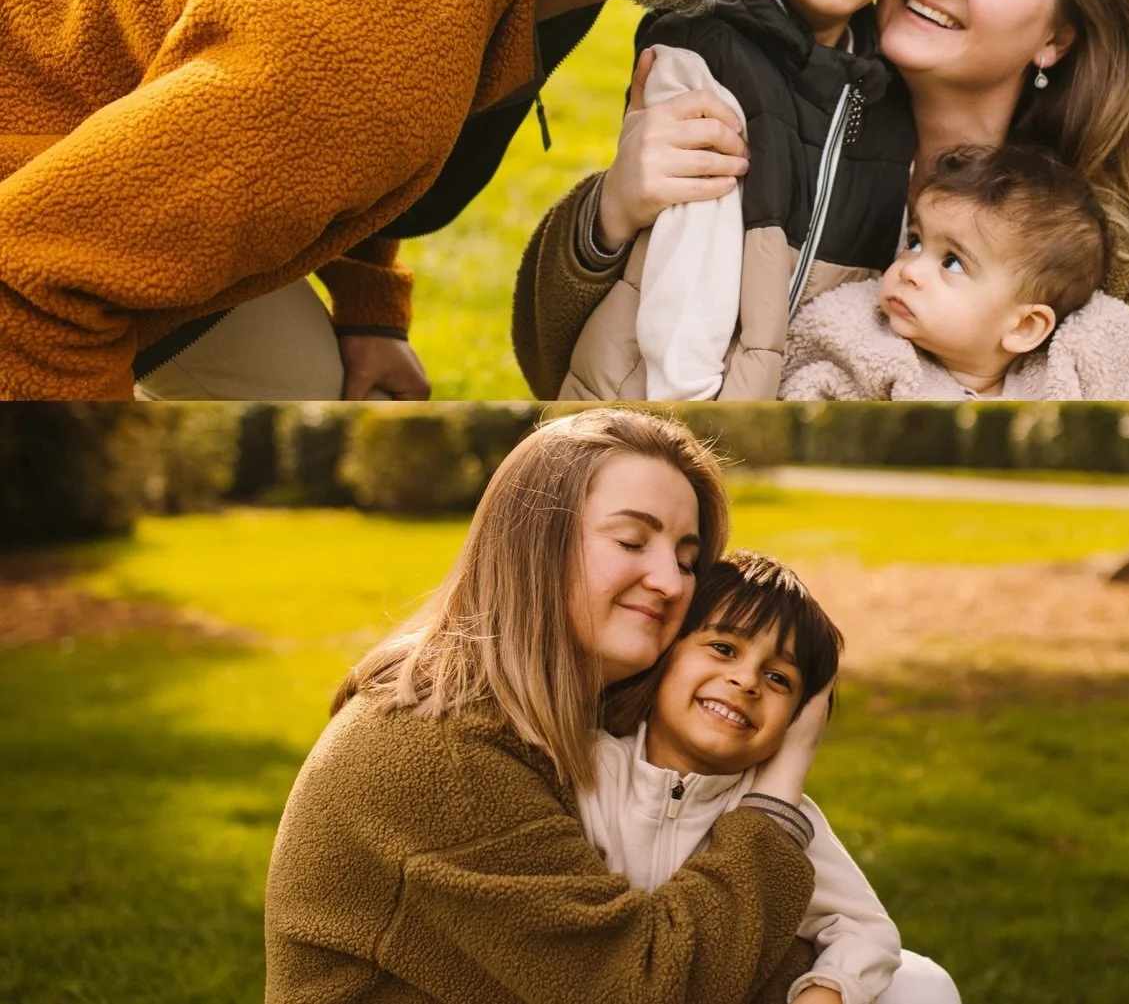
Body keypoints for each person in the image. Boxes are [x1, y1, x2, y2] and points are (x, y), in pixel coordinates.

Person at [0, 0, 790, 404]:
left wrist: (369, 305)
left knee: (310, 381)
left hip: (162, 126)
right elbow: (32, 284)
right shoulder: (360, 53)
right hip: (40, 180)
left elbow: (329, 135)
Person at [512, 0, 1129, 401]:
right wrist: (611, 209)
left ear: (1056, 37)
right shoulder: (763, 105)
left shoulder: (1096, 241)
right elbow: (552, 366)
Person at [264, 408, 832, 1003]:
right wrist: (778, 791)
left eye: (688, 561)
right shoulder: (435, 753)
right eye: (631, 540)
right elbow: (647, 987)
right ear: (534, 543)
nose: (670, 582)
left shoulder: (558, 726)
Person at [561, 0, 932, 402]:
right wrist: (702, 401)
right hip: (657, 387)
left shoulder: (889, 97)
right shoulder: (704, 46)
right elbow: (686, 273)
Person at [581, 549, 960, 1004]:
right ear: (665, 654)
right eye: (723, 649)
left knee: (924, 987)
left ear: (797, 721)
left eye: (779, 678)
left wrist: (827, 990)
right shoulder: (590, 768)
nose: (746, 681)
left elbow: (866, 928)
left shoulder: (785, 820)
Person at [780, 144, 1129, 401]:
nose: (909, 270)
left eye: (952, 263)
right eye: (914, 242)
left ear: (1024, 326)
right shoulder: (861, 345)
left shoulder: (1072, 369)